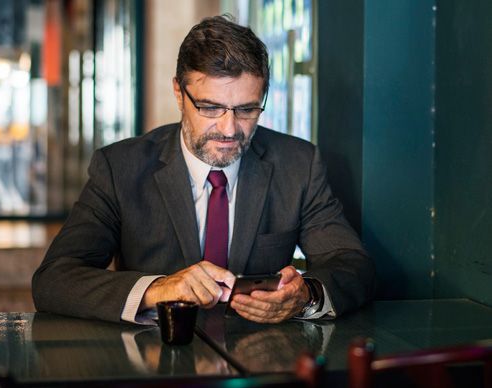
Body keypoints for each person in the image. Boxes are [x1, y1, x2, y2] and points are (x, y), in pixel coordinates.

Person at [32, 15, 375, 325]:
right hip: (154, 361)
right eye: (210, 108)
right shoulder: (120, 168)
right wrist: (157, 289)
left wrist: (306, 295)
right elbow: (54, 280)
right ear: (179, 94)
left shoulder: (298, 164)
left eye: (246, 110)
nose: (229, 129)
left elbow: (352, 265)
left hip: (260, 360)